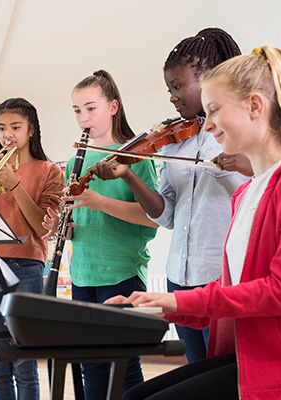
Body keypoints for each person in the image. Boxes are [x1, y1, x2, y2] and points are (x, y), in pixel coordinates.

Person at [108, 45, 281, 399]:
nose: (208, 123)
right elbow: (232, 304)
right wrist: (152, 308)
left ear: (255, 106)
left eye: (215, 110)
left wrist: (175, 303)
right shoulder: (245, 195)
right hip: (250, 356)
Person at [92, 28, 249, 363]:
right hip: (180, 276)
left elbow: (261, 187)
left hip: (222, 277)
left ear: (208, 79)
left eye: (178, 86)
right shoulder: (175, 140)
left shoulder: (237, 131)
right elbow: (167, 215)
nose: (172, 97)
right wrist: (130, 175)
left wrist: (232, 166)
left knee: (224, 375)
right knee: (196, 372)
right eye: (169, 89)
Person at [43, 70, 159, 399]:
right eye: (77, 111)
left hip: (121, 271)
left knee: (124, 364)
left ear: (113, 107)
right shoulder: (74, 162)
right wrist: (59, 229)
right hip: (83, 273)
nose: (83, 118)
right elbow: (81, 222)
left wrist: (99, 202)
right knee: (90, 365)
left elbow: (153, 218)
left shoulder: (137, 155)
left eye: (91, 108)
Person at [0, 98, 64, 400]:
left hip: (27, 265)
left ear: (31, 130)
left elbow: (42, 227)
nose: (7, 133)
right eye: (1, 127)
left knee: (24, 362)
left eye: (15, 126)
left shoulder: (49, 170)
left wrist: (14, 185)